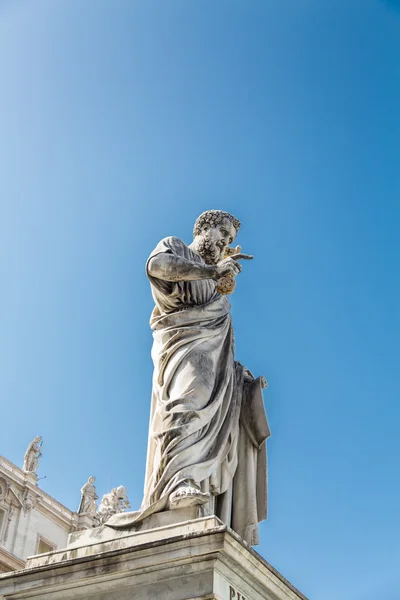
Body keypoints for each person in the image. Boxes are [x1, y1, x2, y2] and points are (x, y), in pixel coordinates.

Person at [108, 210, 269, 545]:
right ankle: (177, 482)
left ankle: (193, 484)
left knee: (206, 411)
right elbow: (156, 267)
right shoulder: (175, 248)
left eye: (229, 240)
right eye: (221, 234)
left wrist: (241, 381)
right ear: (204, 228)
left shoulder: (214, 289)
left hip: (213, 361)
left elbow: (221, 345)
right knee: (186, 404)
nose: (225, 243)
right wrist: (211, 271)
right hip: (180, 348)